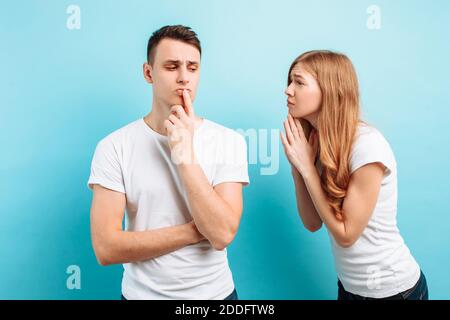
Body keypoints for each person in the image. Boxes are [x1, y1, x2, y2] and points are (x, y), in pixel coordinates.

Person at [87, 25, 249, 300]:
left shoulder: (228, 141)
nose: (184, 78)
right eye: (172, 66)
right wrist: (195, 231)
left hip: (216, 297)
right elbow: (106, 248)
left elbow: (221, 234)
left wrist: (184, 154)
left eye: (193, 68)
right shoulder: (114, 146)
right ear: (149, 73)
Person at [280, 50, 428, 300]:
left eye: (299, 82)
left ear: (329, 90)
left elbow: (346, 234)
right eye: (290, 81)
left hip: (394, 292)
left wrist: (306, 167)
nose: (288, 90)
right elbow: (312, 223)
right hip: (350, 289)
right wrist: (298, 168)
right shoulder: (317, 144)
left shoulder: (367, 146)